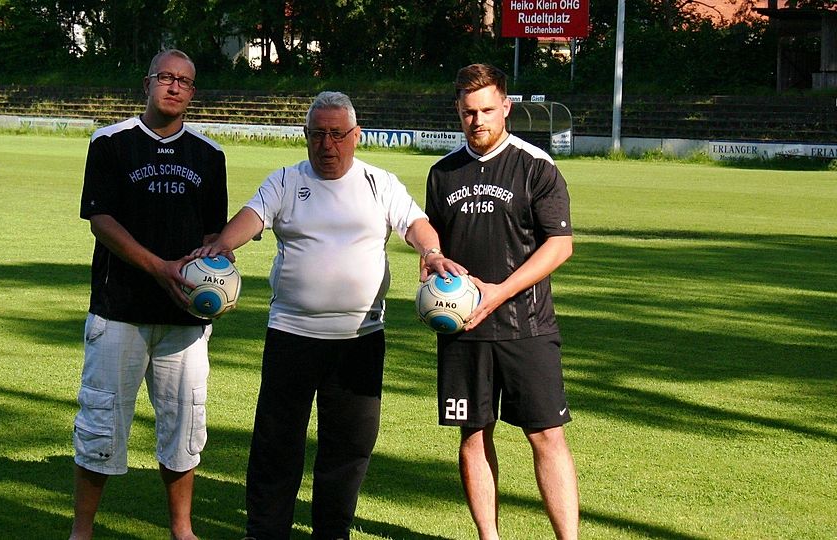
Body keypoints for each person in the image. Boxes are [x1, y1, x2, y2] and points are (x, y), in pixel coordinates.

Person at [196, 91, 464, 540]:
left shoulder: (380, 183)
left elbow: (415, 223)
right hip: (291, 336)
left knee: (349, 449)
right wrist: (224, 244)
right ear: (305, 137)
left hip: (360, 340)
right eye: (318, 134)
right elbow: (251, 216)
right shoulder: (284, 180)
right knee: (276, 446)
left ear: (355, 136)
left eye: (337, 134)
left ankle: (332, 532)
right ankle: (265, 533)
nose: (327, 144)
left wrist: (431, 252)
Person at [70, 48, 228, 540]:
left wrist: (217, 274)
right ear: (147, 83)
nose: (174, 86)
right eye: (166, 77)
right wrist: (160, 267)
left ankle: (182, 531)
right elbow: (101, 221)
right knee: (100, 425)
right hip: (120, 312)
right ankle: (82, 530)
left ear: (193, 91)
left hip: (184, 318)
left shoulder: (209, 154)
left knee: (184, 429)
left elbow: (212, 237)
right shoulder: (111, 143)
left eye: (184, 81)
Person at [423, 63, 579, 540]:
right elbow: (435, 245)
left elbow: (560, 245)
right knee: (472, 435)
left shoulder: (536, 166)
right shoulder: (443, 173)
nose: (478, 120)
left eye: (488, 109)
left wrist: (499, 294)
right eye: (469, 112)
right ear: (458, 110)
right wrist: (430, 268)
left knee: (547, 436)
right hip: (464, 330)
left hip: (526, 326)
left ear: (506, 107)